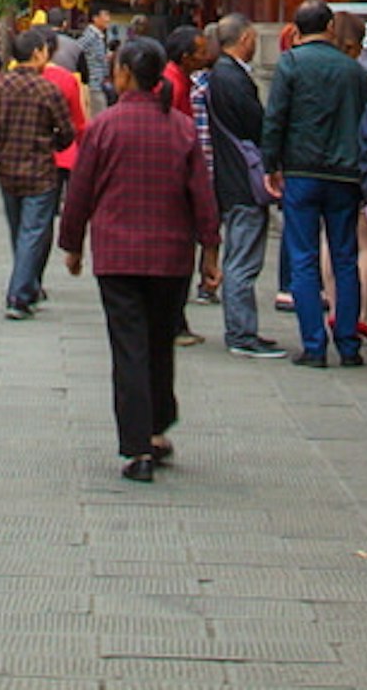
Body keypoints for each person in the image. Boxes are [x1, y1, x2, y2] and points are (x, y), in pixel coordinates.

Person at [60, 40, 222, 483]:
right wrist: (210, 250)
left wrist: (72, 244)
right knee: (158, 341)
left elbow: (80, 192)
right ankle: (155, 426)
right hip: (171, 256)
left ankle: (137, 446)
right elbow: (202, 196)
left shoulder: (104, 128)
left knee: (128, 346)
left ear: (127, 74)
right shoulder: (182, 129)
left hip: (118, 255)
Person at [261, 0, 367, 369]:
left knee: (304, 258)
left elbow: (275, 117)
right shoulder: (354, 71)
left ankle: (313, 345)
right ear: (329, 28)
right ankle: (349, 343)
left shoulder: (290, 65)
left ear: (296, 29)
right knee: (345, 258)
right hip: (345, 173)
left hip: (302, 172)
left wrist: (270, 163)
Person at [0, 27, 72, 319]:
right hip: (40, 171)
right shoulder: (47, 90)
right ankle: (18, 295)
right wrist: (51, 145)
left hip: (8, 169)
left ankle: (27, 287)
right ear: (36, 54)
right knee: (32, 232)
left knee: (20, 231)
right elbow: (67, 132)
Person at [199, 15, 277, 358]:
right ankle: (241, 332)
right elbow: (257, 124)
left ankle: (242, 329)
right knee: (243, 259)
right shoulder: (232, 78)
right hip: (240, 180)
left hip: (230, 176)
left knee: (240, 255)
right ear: (245, 37)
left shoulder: (220, 75)